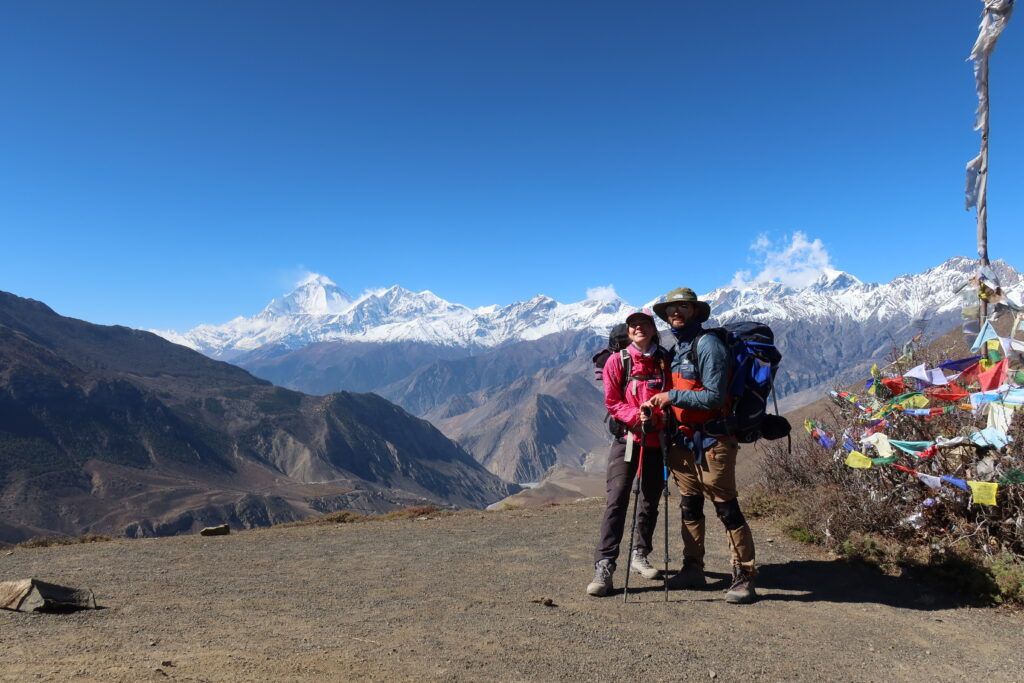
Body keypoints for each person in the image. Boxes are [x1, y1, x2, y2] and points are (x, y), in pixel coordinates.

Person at [645, 287, 758, 604]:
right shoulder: (679, 349)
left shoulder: (708, 345)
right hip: (683, 439)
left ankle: (744, 575)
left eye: (682, 307)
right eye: (670, 309)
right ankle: (692, 567)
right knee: (690, 505)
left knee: (726, 507)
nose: (675, 313)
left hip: (713, 440)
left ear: (695, 312)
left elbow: (714, 396)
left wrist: (671, 397)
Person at [586, 309, 671, 597]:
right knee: (617, 498)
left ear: (653, 328)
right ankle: (605, 564)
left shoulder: (665, 360)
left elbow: (673, 395)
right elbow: (612, 402)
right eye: (633, 325)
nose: (638, 328)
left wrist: (656, 416)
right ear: (628, 330)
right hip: (628, 439)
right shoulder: (617, 360)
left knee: (650, 499)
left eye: (643, 323)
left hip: (656, 440)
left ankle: (640, 553)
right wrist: (637, 416)